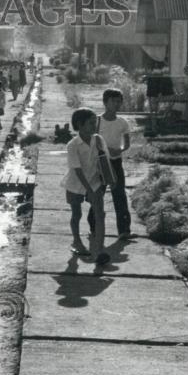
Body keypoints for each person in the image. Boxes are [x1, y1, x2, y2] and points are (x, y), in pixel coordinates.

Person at [62, 108, 112, 266]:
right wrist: (88, 191)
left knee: (100, 214)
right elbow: (76, 170)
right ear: (80, 124)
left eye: (95, 123)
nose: (94, 126)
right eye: (90, 123)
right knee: (76, 214)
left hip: (95, 181)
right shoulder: (73, 145)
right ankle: (77, 241)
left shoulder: (98, 140)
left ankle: (100, 251)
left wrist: (109, 180)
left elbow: (105, 161)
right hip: (75, 183)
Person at [88, 88, 133, 239]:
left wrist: (119, 150)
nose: (117, 104)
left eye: (119, 101)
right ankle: (94, 227)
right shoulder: (96, 121)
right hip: (100, 164)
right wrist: (103, 151)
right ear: (105, 102)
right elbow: (90, 142)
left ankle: (124, 230)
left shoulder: (123, 122)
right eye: (114, 101)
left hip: (115, 163)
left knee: (119, 194)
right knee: (97, 194)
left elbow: (126, 144)